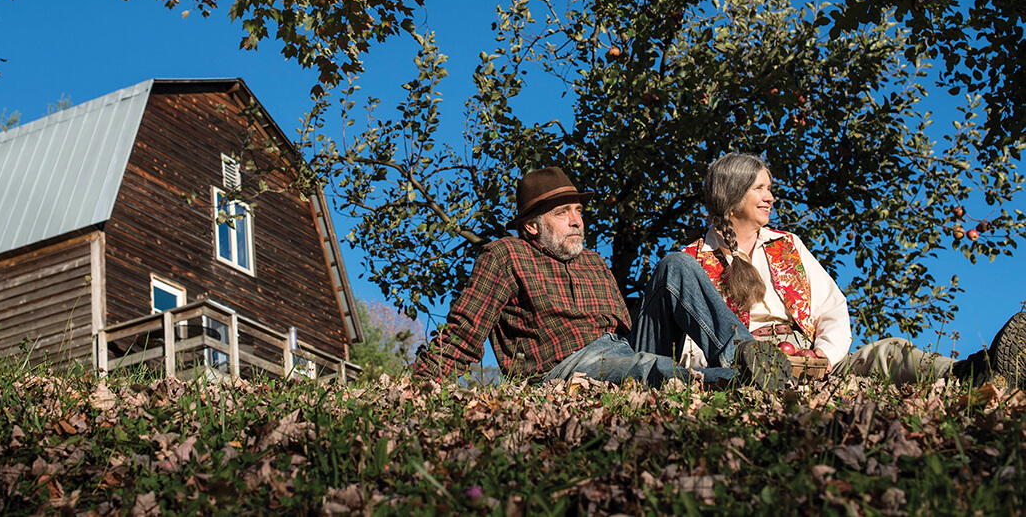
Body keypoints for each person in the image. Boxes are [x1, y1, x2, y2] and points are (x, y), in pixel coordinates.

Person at [412, 167, 794, 389]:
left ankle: (745, 357)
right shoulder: (505, 255)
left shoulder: (593, 262)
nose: (577, 220)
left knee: (677, 263)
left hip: (622, 349)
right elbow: (465, 332)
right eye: (563, 213)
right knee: (643, 369)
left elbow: (628, 332)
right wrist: (419, 384)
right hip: (564, 367)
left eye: (578, 210)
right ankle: (730, 383)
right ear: (531, 225)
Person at [670, 152, 1026, 389]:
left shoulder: (787, 244)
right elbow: (687, 346)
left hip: (807, 356)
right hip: (743, 362)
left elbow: (832, 309)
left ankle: (977, 373)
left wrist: (824, 355)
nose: (771, 198)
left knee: (888, 352)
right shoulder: (691, 261)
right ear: (733, 197)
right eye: (760, 188)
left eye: (770, 189)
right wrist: (742, 359)